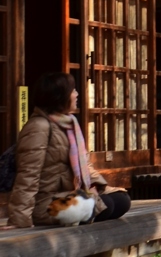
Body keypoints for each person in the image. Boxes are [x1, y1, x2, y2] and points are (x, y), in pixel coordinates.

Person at [7, 73, 131, 228]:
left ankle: (84, 210)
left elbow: (86, 166)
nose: (77, 94)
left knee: (121, 200)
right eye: (73, 91)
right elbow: (28, 175)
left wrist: (103, 187)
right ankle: (78, 212)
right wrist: (20, 218)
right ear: (59, 97)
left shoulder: (70, 124)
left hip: (70, 194)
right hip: (46, 203)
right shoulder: (39, 126)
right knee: (102, 206)